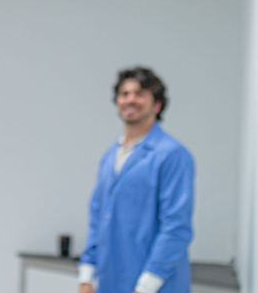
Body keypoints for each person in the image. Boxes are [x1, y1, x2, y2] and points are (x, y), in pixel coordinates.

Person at [78, 67, 195, 293]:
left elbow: (176, 227)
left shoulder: (172, 155)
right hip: (111, 282)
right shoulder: (111, 156)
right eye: (124, 94)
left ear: (157, 105)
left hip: (154, 286)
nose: (130, 99)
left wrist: (145, 287)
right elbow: (98, 217)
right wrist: (86, 275)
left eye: (140, 93)